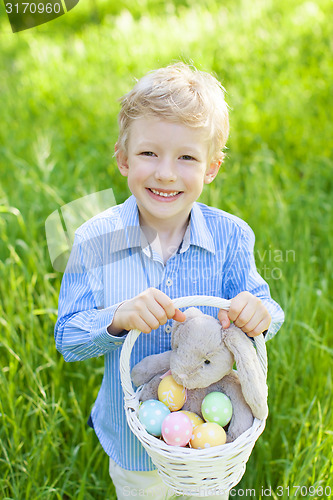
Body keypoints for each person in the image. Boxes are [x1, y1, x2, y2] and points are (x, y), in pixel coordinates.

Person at [54, 62, 284, 500]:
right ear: (123, 158)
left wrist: (261, 314)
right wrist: (117, 318)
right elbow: (67, 338)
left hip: (208, 439)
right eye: (148, 154)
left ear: (211, 168)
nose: (165, 173)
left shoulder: (231, 236)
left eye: (186, 158)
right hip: (133, 440)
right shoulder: (95, 240)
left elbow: (266, 309)